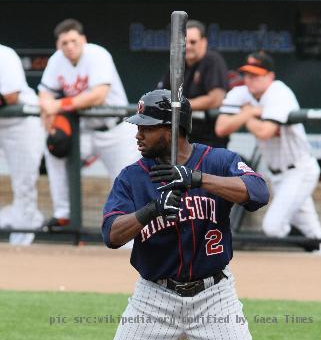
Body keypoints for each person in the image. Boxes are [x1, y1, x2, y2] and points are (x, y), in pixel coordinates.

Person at [102, 89, 269, 340]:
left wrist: (198, 179)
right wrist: (151, 209)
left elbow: (258, 192)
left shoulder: (218, 161)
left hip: (214, 297)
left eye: (147, 128)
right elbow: (111, 235)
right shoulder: (131, 177)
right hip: (153, 298)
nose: (138, 135)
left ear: (171, 130)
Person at [38, 18, 139, 231]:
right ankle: (63, 214)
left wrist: (57, 105)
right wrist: (49, 118)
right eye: (64, 43)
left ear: (83, 39)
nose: (69, 46)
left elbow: (98, 96)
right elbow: (44, 93)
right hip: (84, 131)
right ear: (58, 45)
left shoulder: (97, 54)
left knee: (125, 182)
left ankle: (128, 234)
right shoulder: (57, 60)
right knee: (53, 151)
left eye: (74, 41)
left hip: (115, 131)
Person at [215, 50, 321, 244]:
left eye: (256, 75)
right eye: (247, 74)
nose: (249, 79)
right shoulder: (240, 93)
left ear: (270, 76)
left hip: (299, 170)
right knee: (312, 230)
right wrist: (250, 113)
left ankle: (311, 249)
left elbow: (265, 131)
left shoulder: (279, 92)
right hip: (276, 174)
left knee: (273, 227)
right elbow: (221, 127)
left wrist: (245, 115)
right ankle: (320, 250)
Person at [157, 19, 229, 148]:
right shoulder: (177, 64)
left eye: (193, 42)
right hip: (181, 136)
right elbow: (161, 95)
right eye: (184, 42)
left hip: (209, 140)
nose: (188, 46)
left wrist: (178, 105)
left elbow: (216, 99)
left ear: (204, 42)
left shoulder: (212, 60)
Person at [0, 44, 45, 245]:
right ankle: (21, 218)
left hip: (22, 122)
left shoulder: (5, 55)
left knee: (23, 184)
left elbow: (10, 97)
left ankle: (22, 242)